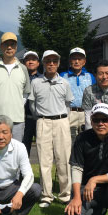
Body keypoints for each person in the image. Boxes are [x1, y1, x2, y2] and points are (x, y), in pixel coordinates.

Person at [28, 50, 73, 207]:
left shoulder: (65, 83)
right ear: (43, 63)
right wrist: (41, 117)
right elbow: (32, 105)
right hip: (43, 122)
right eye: (48, 61)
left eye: (54, 61)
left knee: (64, 159)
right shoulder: (35, 83)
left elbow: (68, 105)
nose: (51, 64)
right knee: (44, 160)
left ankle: (65, 194)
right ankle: (46, 195)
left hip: (61, 121)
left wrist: (60, 118)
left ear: (59, 63)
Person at [0, 32, 31, 142]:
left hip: (17, 120)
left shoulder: (23, 68)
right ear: (1, 46)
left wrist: (18, 104)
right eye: (6, 44)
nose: (9, 47)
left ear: (16, 47)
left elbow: (26, 92)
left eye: (12, 44)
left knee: (15, 152)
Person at [60, 47, 96, 143]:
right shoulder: (63, 76)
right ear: (70, 61)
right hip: (69, 112)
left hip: (86, 112)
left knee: (86, 140)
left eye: (79, 59)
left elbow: (95, 95)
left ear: (84, 61)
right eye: (74, 59)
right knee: (69, 141)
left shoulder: (90, 76)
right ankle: (71, 158)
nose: (76, 61)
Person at [22, 50, 42, 155]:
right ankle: (22, 172)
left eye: (33, 59)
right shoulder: (20, 77)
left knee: (42, 149)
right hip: (24, 119)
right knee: (24, 149)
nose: (30, 62)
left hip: (40, 118)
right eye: (28, 60)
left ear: (38, 63)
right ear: (24, 63)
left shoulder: (43, 78)